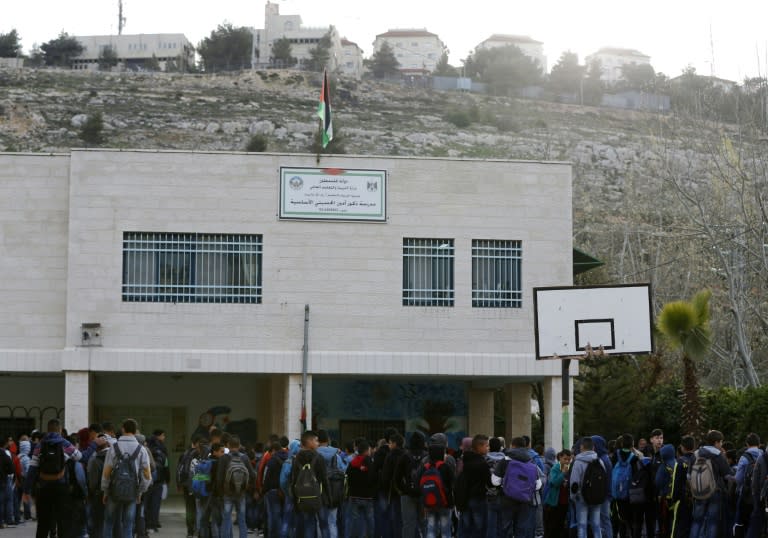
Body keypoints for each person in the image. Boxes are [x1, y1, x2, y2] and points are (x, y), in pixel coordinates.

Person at [22, 418, 84, 538]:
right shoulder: (64, 443)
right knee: (62, 522)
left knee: (43, 523)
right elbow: (79, 456)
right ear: (60, 430)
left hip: (44, 488)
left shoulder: (40, 445)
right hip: (61, 487)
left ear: (48, 429)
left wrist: (26, 491)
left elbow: (32, 469)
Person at [101, 419, 153, 538]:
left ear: (123, 429)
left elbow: (106, 472)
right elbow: (147, 475)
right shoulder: (141, 450)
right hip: (132, 492)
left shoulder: (113, 448)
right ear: (135, 431)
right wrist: (140, 491)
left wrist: (105, 490)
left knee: (108, 522)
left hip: (114, 490)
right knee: (128, 524)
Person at [688, 430, 733, 538]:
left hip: (698, 492)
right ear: (716, 442)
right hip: (714, 492)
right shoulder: (718, 455)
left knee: (697, 521)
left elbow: (688, 476)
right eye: (721, 442)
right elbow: (727, 475)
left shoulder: (696, 454)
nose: (721, 445)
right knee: (712, 522)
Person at [492, 436, 540, 538]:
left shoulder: (505, 460)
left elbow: (495, 481)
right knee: (522, 529)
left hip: (506, 499)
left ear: (512, 446)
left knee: (505, 528)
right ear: (526, 446)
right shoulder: (531, 461)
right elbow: (538, 485)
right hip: (525, 501)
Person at [216, 436, 257, 538]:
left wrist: (221, 493)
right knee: (242, 519)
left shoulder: (224, 458)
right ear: (239, 446)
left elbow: (219, 478)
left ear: (228, 445)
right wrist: (248, 487)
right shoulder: (245, 458)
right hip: (241, 493)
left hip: (227, 493)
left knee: (226, 519)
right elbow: (252, 475)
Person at [290, 431, 329, 538]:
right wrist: (328, 498)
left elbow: (293, 480)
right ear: (309, 441)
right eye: (316, 441)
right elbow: (324, 479)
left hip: (304, 497)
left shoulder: (297, 458)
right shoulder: (319, 457)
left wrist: (295, 499)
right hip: (319, 497)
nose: (318, 443)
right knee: (324, 525)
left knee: (309, 525)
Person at [456, 434, 490, 537]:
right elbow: (489, 482)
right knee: (479, 528)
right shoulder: (482, 463)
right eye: (486, 446)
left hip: (464, 499)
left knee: (466, 527)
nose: (488, 448)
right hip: (478, 499)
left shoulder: (464, 460)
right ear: (479, 447)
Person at [570, 437, 604, 538]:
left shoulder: (578, 462)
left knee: (582, 526)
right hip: (597, 497)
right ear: (593, 448)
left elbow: (574, 483)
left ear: (581, 447)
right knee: (596, 525)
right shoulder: (600, 461)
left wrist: (573, 497)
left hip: (581, 498)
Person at [344, 439, 376, 538]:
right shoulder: (370, 462)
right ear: (367, 450)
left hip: (354, 496)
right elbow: (373, 478)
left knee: (354, 519)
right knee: (370, 519)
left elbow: (347, 476)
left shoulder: (353, 462)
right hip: (368, 496)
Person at [734, 433, 761, 538]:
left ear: (747, 444)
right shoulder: (763, 455)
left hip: (745, 495)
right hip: (760, 495)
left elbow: (738, 479)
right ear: (759, 443)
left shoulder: (744, 457)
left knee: (740, 522)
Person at [543, 449, 571, 538]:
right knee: (552, 527)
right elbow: (553, 482)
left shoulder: (569, 469)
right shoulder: (555, 468)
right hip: (554, 502)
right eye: (565, 459)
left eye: (569, 459)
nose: (567, 461)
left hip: (564, 502)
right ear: (560, 458)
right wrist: (562, 474)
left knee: (560, 525)